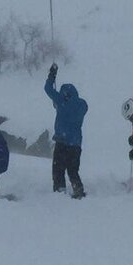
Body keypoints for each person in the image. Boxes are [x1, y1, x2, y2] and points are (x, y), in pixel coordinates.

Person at [44, 63, 88, 198]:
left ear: (64, 94)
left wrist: (52, 74)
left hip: (62, 142)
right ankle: (78, 191)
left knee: (58, 170)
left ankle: (60, 193)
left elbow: (48, 88)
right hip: (76, 144)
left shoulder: (61, 101)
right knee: (73, 170)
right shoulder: (82, 105)